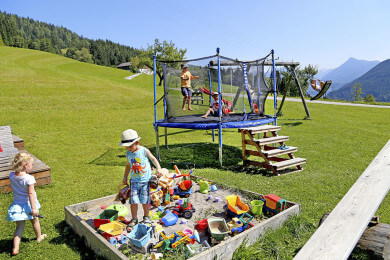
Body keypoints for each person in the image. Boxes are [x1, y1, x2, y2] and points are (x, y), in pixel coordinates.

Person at [119, 129, 162, 227]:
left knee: (145, 200)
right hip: (134, 181)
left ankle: (146, 217)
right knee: (133, 201)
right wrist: (125, 176)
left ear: (137, 142)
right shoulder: (128, 153)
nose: (128, 148)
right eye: (126, 147)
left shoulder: (144, 150)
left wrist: (158, 168)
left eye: (130, 146)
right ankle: (134, 219)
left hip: (145, 181)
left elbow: (153, 158)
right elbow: (128, 165)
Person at [6, 152, 46, 256]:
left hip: (18, 206)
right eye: (31, 164)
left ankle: (15, 248)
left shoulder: (12, 176)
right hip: (28, 206)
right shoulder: (29, 179)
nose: (32, 166)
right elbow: (31, 194)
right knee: (35, 221)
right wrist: (34, 208)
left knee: (19, 228)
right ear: (25, 165)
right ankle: (39, 237)